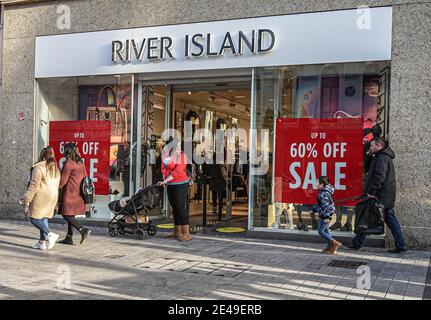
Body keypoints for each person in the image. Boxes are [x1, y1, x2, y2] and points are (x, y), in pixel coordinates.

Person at [344, 138, 407, 254]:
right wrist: (368, 155)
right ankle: (401, 245)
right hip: (383, 195)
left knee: (368, 217)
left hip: (380, 196)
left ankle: (357, 243)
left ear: (378, 145)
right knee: (374, 217)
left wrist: (371, 192)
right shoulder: (379, 157)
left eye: (372, 145)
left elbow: (379, 177)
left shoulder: (382, 158)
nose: (370, 147)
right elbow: (366, 169)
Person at [23, 147, 61, 250]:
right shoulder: (55, 169)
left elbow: (34, 185)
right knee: (43, 218)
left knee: (33, 218)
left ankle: (50, 234)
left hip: (41, 196)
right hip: (52, 197)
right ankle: (41, 242)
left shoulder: (38, 168)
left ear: (42, 156)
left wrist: (27, 199)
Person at [58, 143, 91, 245]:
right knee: (70, 214)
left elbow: (63, 181)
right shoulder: (80, 163)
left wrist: (54, 188)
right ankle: (69, 236)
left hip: (69, 194)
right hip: (78, 194)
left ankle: (82, 229)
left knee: (66, 215)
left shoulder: (69, 163)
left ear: (67, 150)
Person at [158, 138, 191, 241]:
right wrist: (165, 180)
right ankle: (177, 232)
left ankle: (186, 233)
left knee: (181, 208)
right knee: (174, 208)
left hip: (181, 183)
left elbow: (177, 171)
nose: (178, 148)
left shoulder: (182, 156)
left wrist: (165, 181)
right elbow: (163, 168)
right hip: (170, 183)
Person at [313, 176, 342, 254]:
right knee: (326, 230)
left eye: (317, 182)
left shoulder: (323, 194)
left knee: (320, 231)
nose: (315, 184)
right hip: (327, 214)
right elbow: (321, 205)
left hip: (326, 215)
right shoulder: (325, 192)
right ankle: (331, 247)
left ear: (321, 184)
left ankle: (334, 242)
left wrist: (327, 217)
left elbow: (326, 206)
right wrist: (313, 209)